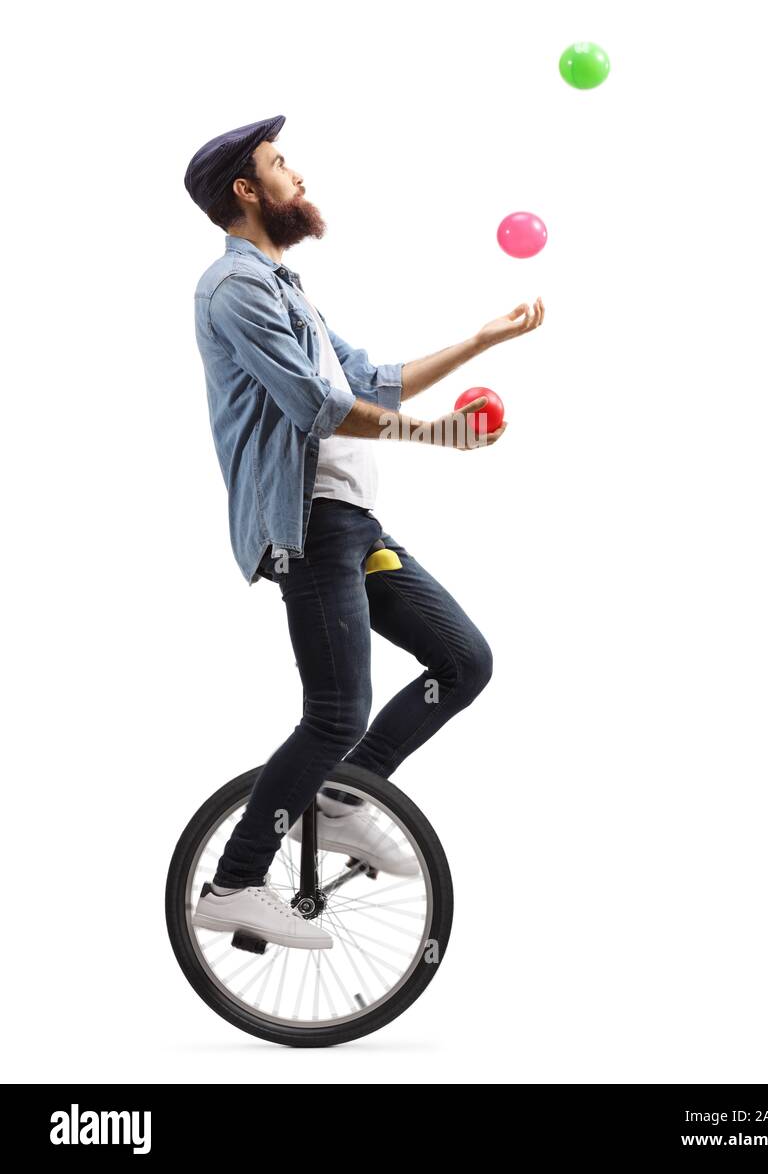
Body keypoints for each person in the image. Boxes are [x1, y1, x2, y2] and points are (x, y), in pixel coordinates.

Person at [183, 115, 545, 948]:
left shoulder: (285, 288)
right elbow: (323, 407)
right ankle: (234, 883)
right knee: (336, 712)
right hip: (306, 528)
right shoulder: (234, 289)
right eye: (281, 165)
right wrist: (444, 437)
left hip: (350, 522)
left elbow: (369, 378)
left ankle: (345, 798)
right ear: (247, 190)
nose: (296, 177)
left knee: (464, 661)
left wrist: (481, 339)